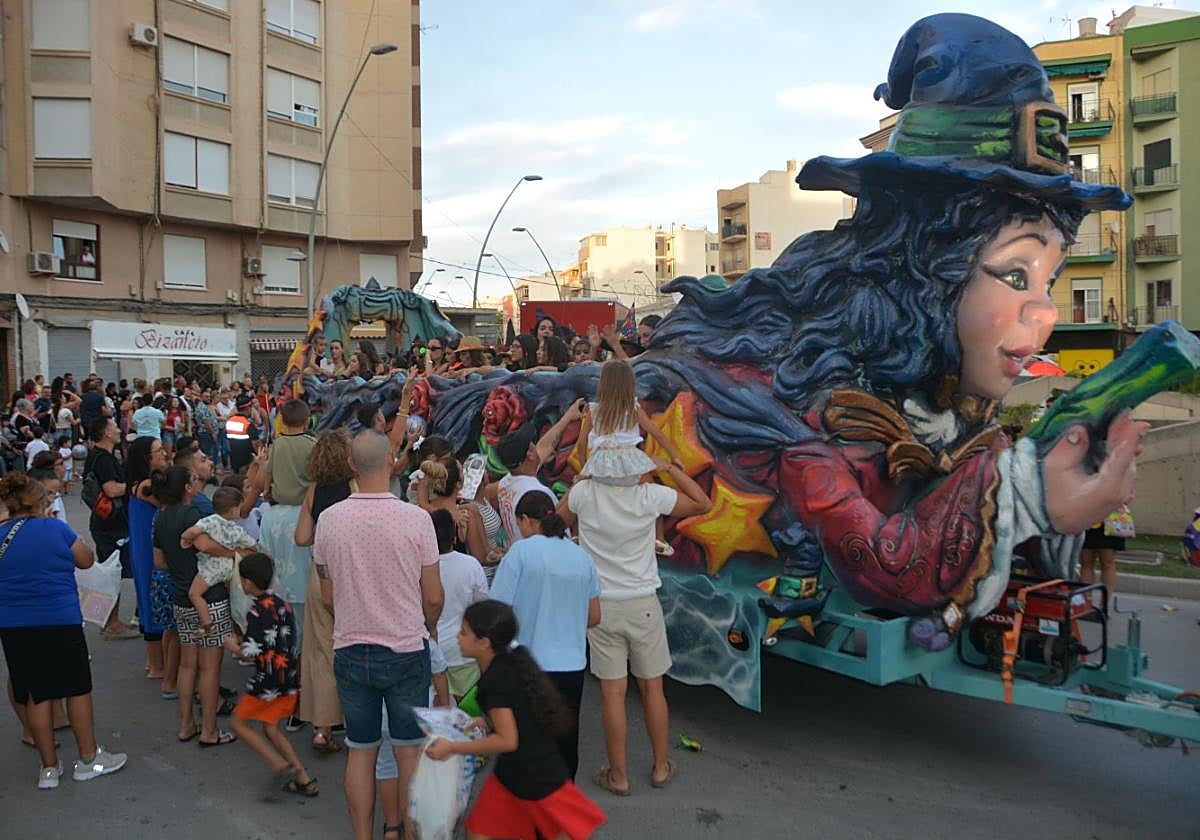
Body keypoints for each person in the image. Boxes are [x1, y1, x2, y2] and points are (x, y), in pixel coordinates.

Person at [313, 430, 443, 840]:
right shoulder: (417, 519)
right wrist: (425, 622)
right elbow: (434, 597)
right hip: (405, 646)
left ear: (351, 465)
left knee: (360, 749)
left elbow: (328, 594)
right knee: (408, 754)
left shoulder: (329, 520)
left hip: (351, 646)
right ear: (392, 461)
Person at [559, 453, 711, 796]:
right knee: (652, 688)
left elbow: (554, 520)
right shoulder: (649, 497)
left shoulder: (586, 494)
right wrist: (669, 467)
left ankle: (618, 775)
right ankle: (660, 767)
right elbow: (702, 504)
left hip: (601, 606)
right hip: (643, 604)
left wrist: (580, 481)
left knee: (613, 693)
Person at [425, 600, 606, 840]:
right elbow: (516, 713)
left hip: (533, 776)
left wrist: (453, 747)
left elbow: (507, 740)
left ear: (483, 643)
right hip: (520, 773)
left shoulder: (493, 682)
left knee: (486, 832)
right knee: (479, 830)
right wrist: (486, 722)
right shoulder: (509, 662)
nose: (458, 637)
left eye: (464, 632)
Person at [0, 473, 128, 789]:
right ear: (39, 503)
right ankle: (88, 758)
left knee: (36, 694)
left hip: (14, 624)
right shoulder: (54, 528)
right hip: (58, 618)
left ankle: (48, 769)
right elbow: (85, 560)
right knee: (76, 688)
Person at [490, 491, 600, 780]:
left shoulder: (521, 552)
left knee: (526, 743)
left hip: (529, 665)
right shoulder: (581, 557)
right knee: (564, 745)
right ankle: (561, 812)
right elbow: (595, 617)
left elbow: (498, 611)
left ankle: (527, 812)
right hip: (572, 667)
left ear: (526, 520)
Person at [151, 465, 239, 747]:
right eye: (194, 480)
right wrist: (234, 554)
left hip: (181, 600)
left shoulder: (161, 517)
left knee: (188, 666)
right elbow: (205, 546)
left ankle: (187, 723)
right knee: (210, 667)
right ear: (187, 488)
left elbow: (160, 562)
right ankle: (210, 730)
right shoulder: (191, 514)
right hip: (208, 600)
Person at [224, 552, 318, 797]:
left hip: (267, 680)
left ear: (247, 583)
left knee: (238, 723)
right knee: (271, 728)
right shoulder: (282, 605)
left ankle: (279, 765)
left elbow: (250, 653)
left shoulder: (256, 612)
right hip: (287, 677)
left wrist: (232, 644)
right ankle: (303, 777)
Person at [293, 428, 354, 753]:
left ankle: (321, 728)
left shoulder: (314, 491)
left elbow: (301, 537)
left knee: (320, 653)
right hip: (352, 574)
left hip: (320, 573)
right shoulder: (355, 488)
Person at [256, 399, 314, 645]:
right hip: (304, 515)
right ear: (307, 420)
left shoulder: (277, 444)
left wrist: (267, 493)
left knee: (276, 572)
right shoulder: (312, 444)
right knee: (305, 574)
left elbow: (266, 478)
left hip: (275, 516)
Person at [490, 402, 584, 547]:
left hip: (523, 556)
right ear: (530, 455)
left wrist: (567, 418)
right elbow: (558, 523)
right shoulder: (538, 494)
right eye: (531, 443)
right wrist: (581, 482)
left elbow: (543, 447)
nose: (535, 444)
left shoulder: (507, 482)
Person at [123, 436, 175, 696]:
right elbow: (168, 501)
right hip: (147, 549)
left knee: (150, 599)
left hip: (146, 545)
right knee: (151, 600)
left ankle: (155, 661)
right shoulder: (145, 485)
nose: (164, 454)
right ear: (147, 458)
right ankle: (157, 665)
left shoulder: (142, 483)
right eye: (158, 451)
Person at [83, 418, 139, 641]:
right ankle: (111, 624)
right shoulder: (103, 459)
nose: (119, 429)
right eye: (114, 426)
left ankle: (109, 621)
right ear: (106, 433)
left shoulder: (100, 456)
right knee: (111, 573)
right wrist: (135, 485)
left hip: (108, 524)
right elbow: (112, 489)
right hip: (110, 525)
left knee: (110, 571)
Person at [429, 508, 489, 700]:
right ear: (454, 538)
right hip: (464, 649)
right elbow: (483, 607)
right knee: (468, 710)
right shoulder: (471, 565)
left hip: (433, 649)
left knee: (439, 712)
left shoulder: (420, 568)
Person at [182, 486, 258, 634]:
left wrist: (184, 538)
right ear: (233, 509)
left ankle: (207, 624)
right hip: (229, 569)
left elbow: (192, 531)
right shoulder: (237, 530)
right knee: (232, 600)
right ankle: (237, 629)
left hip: (211, 568)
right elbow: (253, 546)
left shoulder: (208, 521)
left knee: (194, 594)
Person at [225, 394, 255, 474]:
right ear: (248, 408)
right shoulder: (248, 424)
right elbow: (256, 444)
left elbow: (227, 441)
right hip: (247, 460)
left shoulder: (229, 421)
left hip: (234, 458)